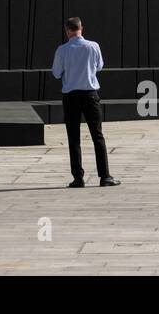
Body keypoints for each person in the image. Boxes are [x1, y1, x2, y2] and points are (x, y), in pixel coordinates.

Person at [50, 17, 119, 188]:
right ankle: (105, 176)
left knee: (74, 138)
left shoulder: (62, 49)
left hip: (71, 96)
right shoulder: (93, 46)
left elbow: (56, 73)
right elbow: (99, 67)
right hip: (90, 95)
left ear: (67, 30)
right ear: (82, 28)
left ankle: (78, 178)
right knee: (97, 136)